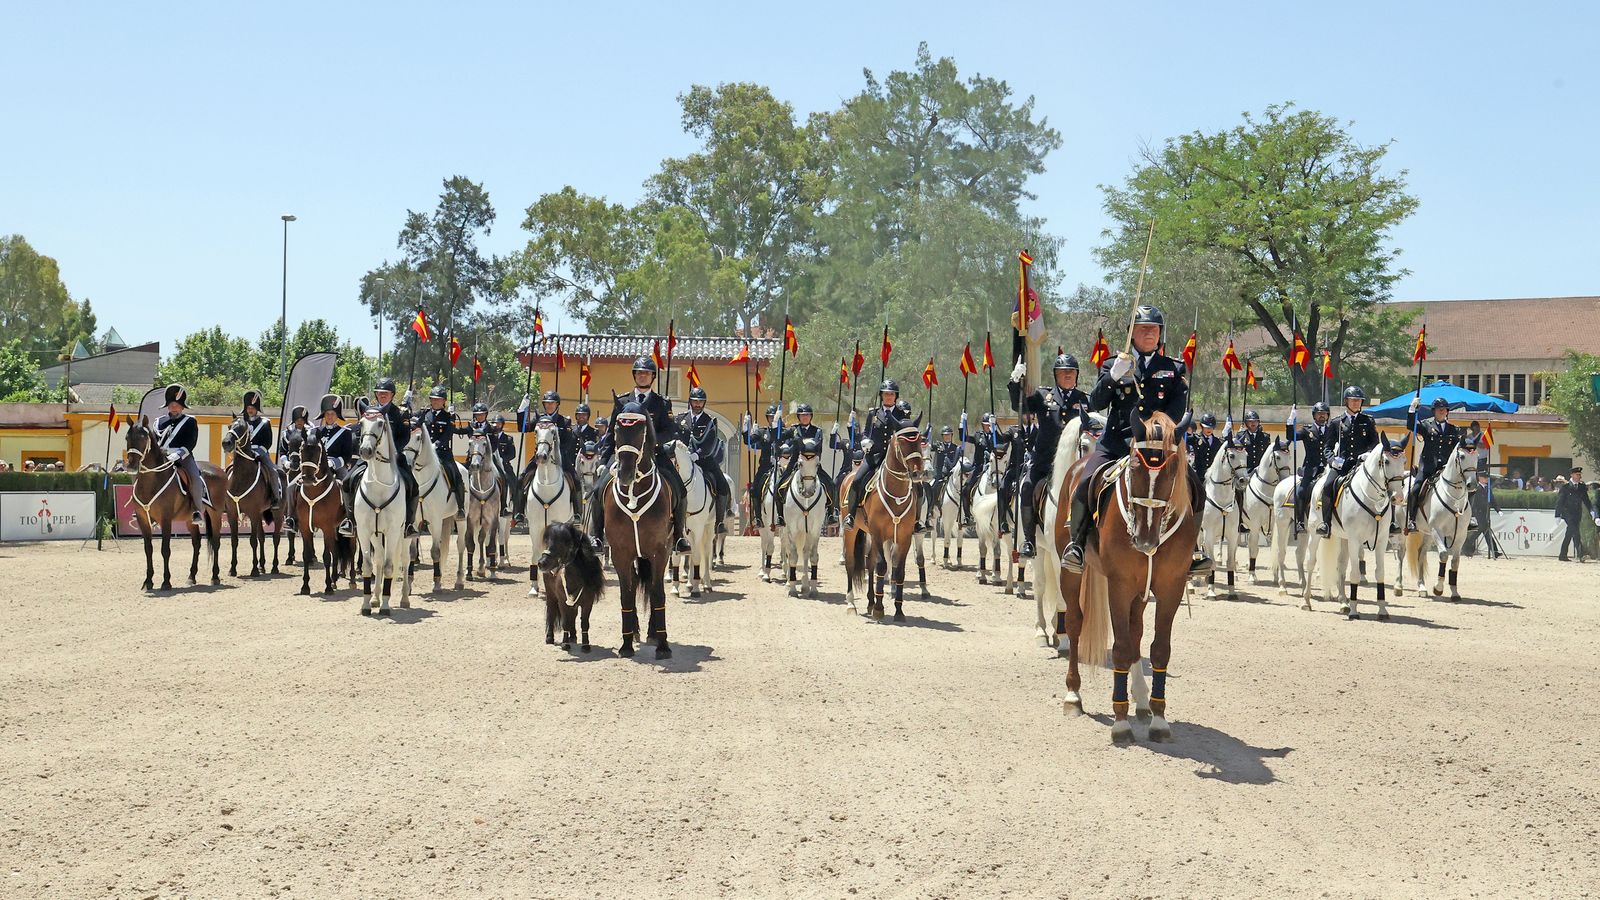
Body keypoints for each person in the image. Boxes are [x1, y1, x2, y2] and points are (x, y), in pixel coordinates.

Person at [1061, 305, 1204, 574]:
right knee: (1084, 483)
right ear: (1132, 334)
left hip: (1156, 447)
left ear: (1160, 334)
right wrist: (1113, 375)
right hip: (1116, 443)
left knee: (1196, 488)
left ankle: (1194, 551)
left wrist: (1158, 432)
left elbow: (1175, 408)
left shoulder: (1173, 368)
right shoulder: (1112, 363)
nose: (1149, 332)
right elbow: (1096, 402)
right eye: (1143, 328)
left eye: (1154, 328)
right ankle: (1077, 546)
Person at [596, 356, 690, 553]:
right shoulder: (622, 401)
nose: (642, 376)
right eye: (639, 373)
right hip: (624, 455)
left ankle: (680, 536)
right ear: (634, 376)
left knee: (679, 489)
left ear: (653, 376)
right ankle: (596, 536)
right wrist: (604, 460)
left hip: (653, 454)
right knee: (599, 487)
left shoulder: (661, 403)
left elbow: (670, 431)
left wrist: (652, 441)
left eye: (646, 373)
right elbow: (613, 432)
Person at [1017, 353, 1091, 557]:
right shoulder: (1042, 396)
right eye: (1063, 372)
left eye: (1071, 372)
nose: (1067, 375)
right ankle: (1029, 541)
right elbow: (1020, 405)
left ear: (1077, 375)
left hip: (1075, 463)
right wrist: (1017, 383)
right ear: (1055, 375)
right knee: (1028, 486)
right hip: (1045, 460)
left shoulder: (1085, 400)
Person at [1316, 385, 1381, 537]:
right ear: (1346, 401)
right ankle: (1326, 523)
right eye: (1353, 400)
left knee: (1384, 483)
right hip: (1342, 465)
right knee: (1328, 485)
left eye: (1358, 401)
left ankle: (1389, 523)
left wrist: (1369, 454)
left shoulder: (1368, 421)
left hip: (1363, 465)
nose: (1356, 403)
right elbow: (1327, 447)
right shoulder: (1336, 422)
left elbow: (1375, 444)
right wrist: (1332, 461)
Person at [842, 379, 906, 530]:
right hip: (875, 456)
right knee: (857, 481)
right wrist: (865, 440)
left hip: (895, 459)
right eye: (886, 394)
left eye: (891, 394)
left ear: (896, 396)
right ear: (881, 396)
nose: (889, 397)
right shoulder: (874, 413)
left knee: (916, 484)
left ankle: (917, 521)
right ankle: (851, 515)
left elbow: (905, 433)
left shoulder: (901, 414)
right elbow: (866, 433)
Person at [154, 383, 212, 524]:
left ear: (182, 406)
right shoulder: (158, 422)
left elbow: (190, 443)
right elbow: (155, 441)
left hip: (183, 457)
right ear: (167, 405)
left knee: (195, 478)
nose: (174, 407)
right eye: (171, 404)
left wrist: (178, 454)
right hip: (162, 457)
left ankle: (197, 510)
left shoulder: (190, 421)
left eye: (177, 404)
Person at [1404, 396, 1464, 531]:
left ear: (1447, 411)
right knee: (1415, 490)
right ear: (1434, 411)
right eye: (1438, 409)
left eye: (1444, 409)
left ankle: (1468, 518)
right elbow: (1410, 424)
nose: (1441, 411)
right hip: (1428, 466)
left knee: (1466, 487)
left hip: (1446, 468)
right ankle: (1412, 520)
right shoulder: (1426, 425)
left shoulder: (1454, 430)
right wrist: (1412, 408)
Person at [677, 386, 732, 531]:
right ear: (690, 402)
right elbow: (675, 438)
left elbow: (710, 442)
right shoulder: (681, 418)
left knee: (722, 484)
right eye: (695, 401)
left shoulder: (710, 421)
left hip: (704, 460)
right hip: (682, 460)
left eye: (700, 402)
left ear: (704, 403)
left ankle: (719, 522)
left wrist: (697, 455)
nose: (697, 404)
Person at [773, 402, 835, 526]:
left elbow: (818, 449)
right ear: (798, 417)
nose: (804, 417)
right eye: (802, 415)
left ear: (811, 416)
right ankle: (780, 516)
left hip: (812, 465)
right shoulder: (793, 430)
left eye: (807, 415)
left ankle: (831, 514)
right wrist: (776, 424)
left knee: (831, 485)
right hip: (794, 464)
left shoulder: (817, 431)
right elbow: (778, 438)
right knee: (778, 486)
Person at [237, 390, 283, 517]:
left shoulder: (265, 422)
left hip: (259, 453)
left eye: (252, 408)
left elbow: (267, 442)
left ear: (257, 409)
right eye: (248, 408)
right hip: (243, 453)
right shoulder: (241, 422)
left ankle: (275, 497)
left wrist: (257, 452)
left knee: (272, 471)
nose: (250, 410)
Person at [1293, 401, 1335, 533]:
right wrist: (1290, 423)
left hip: (1329, 467)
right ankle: (1299, 521)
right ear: (1314, 415)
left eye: (1324, 414)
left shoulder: (1332, 430)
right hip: (1311, 468)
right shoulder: (1307, 430)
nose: (1322, 416)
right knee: (1300, 492)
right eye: (1319, 414)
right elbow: (1292, 437)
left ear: (1328, 416)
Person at [466, 403, 515, 516]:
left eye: (482, 414)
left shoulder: (491, 429)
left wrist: (487, 454)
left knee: (503, 476)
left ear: (486, 415)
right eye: (477, 415)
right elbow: (461, 431)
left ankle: (503, 506)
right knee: (462, 476)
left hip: (489, 458)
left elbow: (495, 444)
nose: (479, 417)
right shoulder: (471, 426)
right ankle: (463, 505)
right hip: (474, 457)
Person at [743, 403, 782, 527]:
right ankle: (758, 517)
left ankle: (782, 515)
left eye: (774, 417)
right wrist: (746, 429)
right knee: (754, 489)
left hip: (782, 466)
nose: (772, 419)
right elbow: (748, 441)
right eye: (770, 417)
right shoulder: (762, 432)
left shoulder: (784, 431)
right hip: (765, 467)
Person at [961, 413, 1000, 528]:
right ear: (983, 426)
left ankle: (1003, 518)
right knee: (966, 489)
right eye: (986, 425)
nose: (988, 427)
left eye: (989, 425)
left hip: (993, 467)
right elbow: (963, 437)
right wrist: (962, 423)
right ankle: (967, 516)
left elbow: (1001, 442)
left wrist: (995, 428)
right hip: (979, 467)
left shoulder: (995, 436)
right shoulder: (978, 436)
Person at [1555, 465, 1598, 562]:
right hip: (1567, 514)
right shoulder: (1565, 487)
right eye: (1578, 474)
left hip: (1577, 513)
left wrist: (1591, 510)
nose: (1580, 476)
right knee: (1575, 532)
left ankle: (1562, 555)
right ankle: (1581, 554)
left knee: (1569, 533)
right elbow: (1560, 502)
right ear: (1572, 475)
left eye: (1580, 474)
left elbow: (1586, 500)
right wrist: (1557, 515)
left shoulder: (1582, 487)